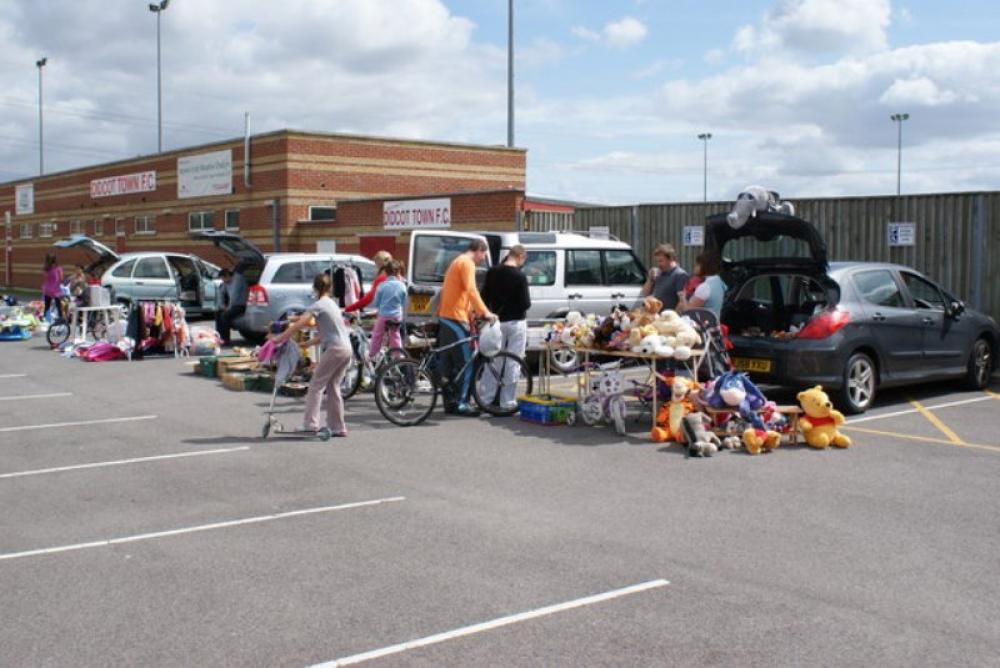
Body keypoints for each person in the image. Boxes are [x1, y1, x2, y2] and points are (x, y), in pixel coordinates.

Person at [272, 273, 353, 436]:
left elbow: (301, 323)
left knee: (316, 386)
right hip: (346, 349)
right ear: (330, 288)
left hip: (335, 350)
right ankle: (338, 426)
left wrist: (281, 337)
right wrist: (305, 344)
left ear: (315, 288)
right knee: (333, 387)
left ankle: (310, 424)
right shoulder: (332, 305)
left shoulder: (318, 305)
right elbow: (326, 333)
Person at [436, 239, 497, 416]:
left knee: (450, 365)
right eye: (483, 255)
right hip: (455, 318)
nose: (483, 259)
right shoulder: (467, 263)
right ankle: (462, 403)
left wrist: (472, 312)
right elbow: (471, 290)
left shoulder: (457, 261)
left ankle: (450, 402)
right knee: (466, 361)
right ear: (478, 250)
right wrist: (485, 312)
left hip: (447, 316)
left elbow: (461, 293)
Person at [480, 245, 531, 411]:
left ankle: (486, 399)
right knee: (513, 362)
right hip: (516, 323)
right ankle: (507, 402)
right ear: (520, 257)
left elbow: (484, 297)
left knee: (493, 360)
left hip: (496, 322)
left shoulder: (492, 272)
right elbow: (526, 303)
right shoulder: (520, 276)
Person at [368, 260, 408, 358]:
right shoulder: (402, 286)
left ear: (385, 272)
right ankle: (398, 356)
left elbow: (376, 303)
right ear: (398, 272)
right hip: (396, 316)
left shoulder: (381, 286)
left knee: (377, 334)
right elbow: (404, 302)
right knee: (395, 334)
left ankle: (373, 354)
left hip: (384, 315)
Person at [640, 243, 688, 311]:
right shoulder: (658, 273)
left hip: (669, 318)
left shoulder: (680, 275)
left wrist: (673, 317)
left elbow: (682, 301)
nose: (658, 264)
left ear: (670, 259)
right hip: (656, 317)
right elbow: (644, 294)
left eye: (661, 261)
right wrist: (650, 279)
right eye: (657, 261)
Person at [678, 251, 726, 317]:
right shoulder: (718, 281)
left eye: (697, 264)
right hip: (713, 324)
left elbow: (687, 311)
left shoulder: (705, 287)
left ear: (705, 266)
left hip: (702, 326)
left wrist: (682, 296)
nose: (694, 267)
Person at [216, 264, 248, 345]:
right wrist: (222, 306)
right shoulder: (226, 283)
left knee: (224, 316)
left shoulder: (238, 279)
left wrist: (228, 308)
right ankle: (219, 337)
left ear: (227, 275)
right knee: (217, 313)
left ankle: (226, 340)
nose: (223, 281)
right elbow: (221, 293)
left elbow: (234, 296)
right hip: (233, 305)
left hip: (241, 305)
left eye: (223, 278)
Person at [41, 254, 64, 320]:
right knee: (58, 306)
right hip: (55, 290)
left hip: (47, 289)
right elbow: (61, 279)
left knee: (47, 306)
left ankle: (45, 319)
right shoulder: (58, 268)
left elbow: (45, 278)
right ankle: (61, 319)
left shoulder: (46, 268)